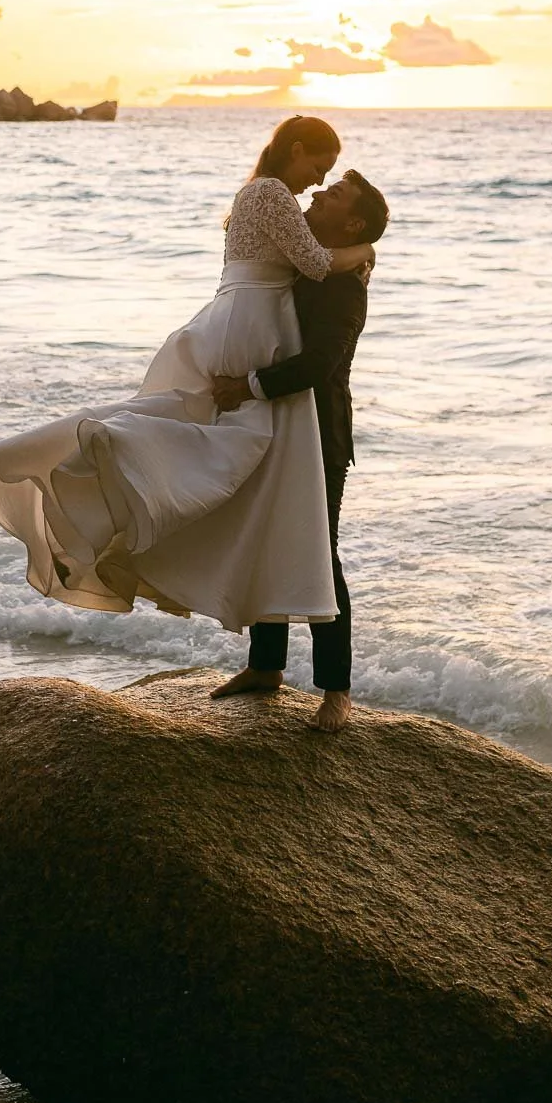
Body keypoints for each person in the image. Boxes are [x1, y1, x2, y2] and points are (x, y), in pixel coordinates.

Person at [0, 116, 375, 645]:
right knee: (220, 469)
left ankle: (324, 685)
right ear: (296, 150)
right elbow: (318, 263)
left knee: (255, 498)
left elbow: (316, 338)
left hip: (289, 385)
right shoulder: (274, 196)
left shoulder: (274, 206)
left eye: (331, 184)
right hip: (251, 338)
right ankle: (103, 472)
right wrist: (365, 251)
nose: (318, 185)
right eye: (319, 169)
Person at [208, 169, 389, 731]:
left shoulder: (342, 283)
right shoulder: (308, 260)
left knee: (318, 553)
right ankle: (266, 666)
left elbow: (320, 365)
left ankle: (337, 690)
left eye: (333, 194)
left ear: (353, 221)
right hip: (282, 424)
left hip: (320, 433)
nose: (317, 193)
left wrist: (247, 386)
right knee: (267, 535)